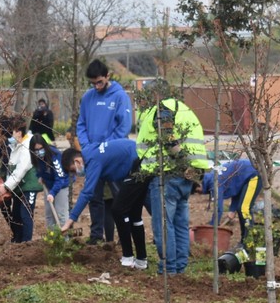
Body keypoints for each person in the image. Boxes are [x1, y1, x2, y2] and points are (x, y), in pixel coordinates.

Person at [135, 96, 210, 275]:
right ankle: (180, 268)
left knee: (163, 223)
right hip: (187, 176)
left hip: (168, 173)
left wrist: (183, 164)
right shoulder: (184, 109)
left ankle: (168, 269)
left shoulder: (164, 109)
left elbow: (167, 137)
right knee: (180, 223)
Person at [60, 139, 147, 267]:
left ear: (77, 161)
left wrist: (70, 220)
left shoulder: (93, 160)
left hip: (137, 166)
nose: (75, 174)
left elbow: (87, 193)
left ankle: (128, 257)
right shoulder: (90, 152)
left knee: (118, 210)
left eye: (73, 170)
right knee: (134, 215)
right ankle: (141, 260)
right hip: (138, 163)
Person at [76, 59, 132, 245]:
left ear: (107, 76)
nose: (97, 87)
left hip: (113, 157)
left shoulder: (119, 96)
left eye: (99, 82)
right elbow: (81, 124)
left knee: (119, 198)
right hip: (94, 156)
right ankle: (96, 236)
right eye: (93, 83)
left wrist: (106, 148)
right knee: (94, 197)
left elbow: (123, 127)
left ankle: (124, 236)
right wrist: (87, 146)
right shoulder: (88, 98)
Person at [0, 116, 43, 243]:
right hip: (19, 187)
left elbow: (20, 171)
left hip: (29, 187)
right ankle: (18, 240)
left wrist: (5, 187)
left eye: (12, 132)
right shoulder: (16, 146)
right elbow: (11, 169)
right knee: (17, 214)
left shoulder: (26, 146)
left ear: (19, 132)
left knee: (26, 214)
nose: (10, 135)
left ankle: (27, 243)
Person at [201, 159, 261, 246]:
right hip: (245, 177)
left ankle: (249, 243)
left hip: (254, 175)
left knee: (244, 209)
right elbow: (236, 187)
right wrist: (232, 209)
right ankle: (244, 241)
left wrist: (212, 226)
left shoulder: (215, 183)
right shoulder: (212, 176)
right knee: (240, 208)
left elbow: (218, 209)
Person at [28, 134, 70, 228]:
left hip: (61, 185)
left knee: (60, 214)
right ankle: (51, 237)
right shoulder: (35, 157)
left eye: (41, 148)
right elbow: (38, 169)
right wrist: (40, 176)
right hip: (48, 185)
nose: (39, 152)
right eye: (36, 150)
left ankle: (64, 239)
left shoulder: (54, 155)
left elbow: (60, 178)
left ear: (44, 146)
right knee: (49, 214)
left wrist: (52, 193)